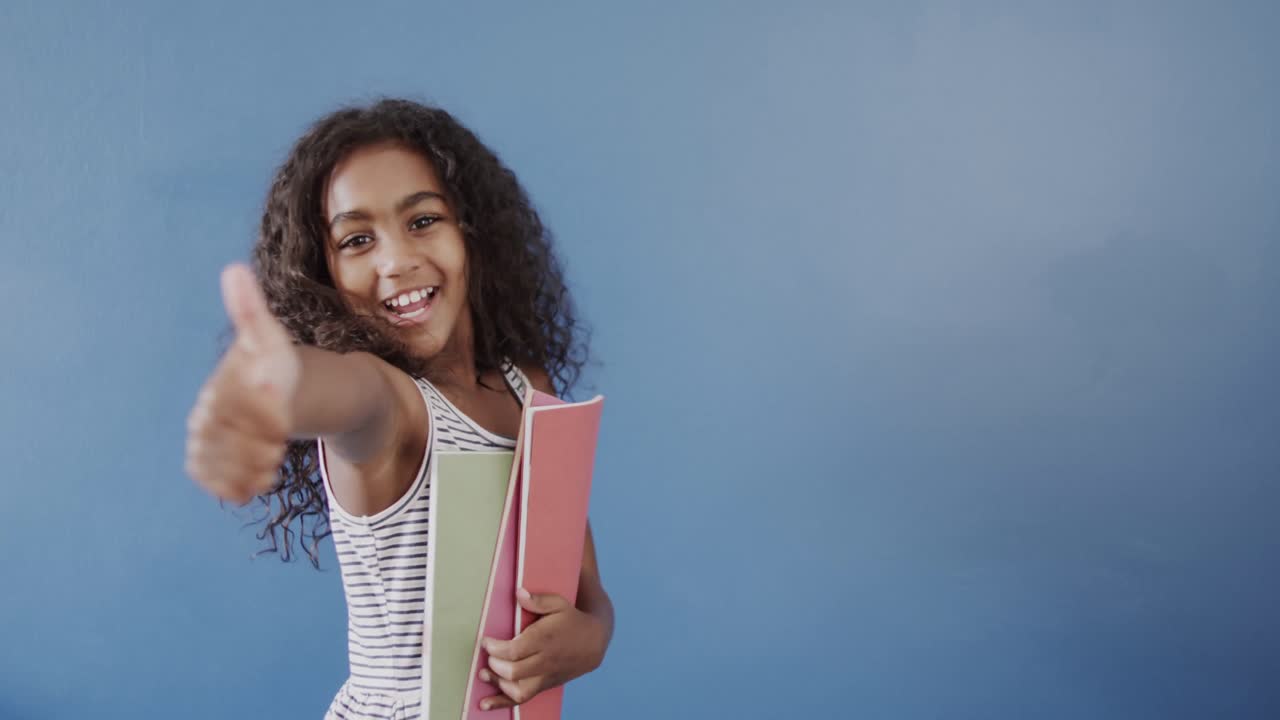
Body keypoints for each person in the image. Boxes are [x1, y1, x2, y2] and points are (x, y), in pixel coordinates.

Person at [184, 98, 613, 719]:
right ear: (323, 273)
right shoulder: (394, 410)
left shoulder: (528, 389)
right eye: (357, 240)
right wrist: (269, 387)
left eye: (422, 220)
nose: (395, 261)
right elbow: (342, 392)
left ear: (472, 231)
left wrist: (592, 634)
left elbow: (581, 584)